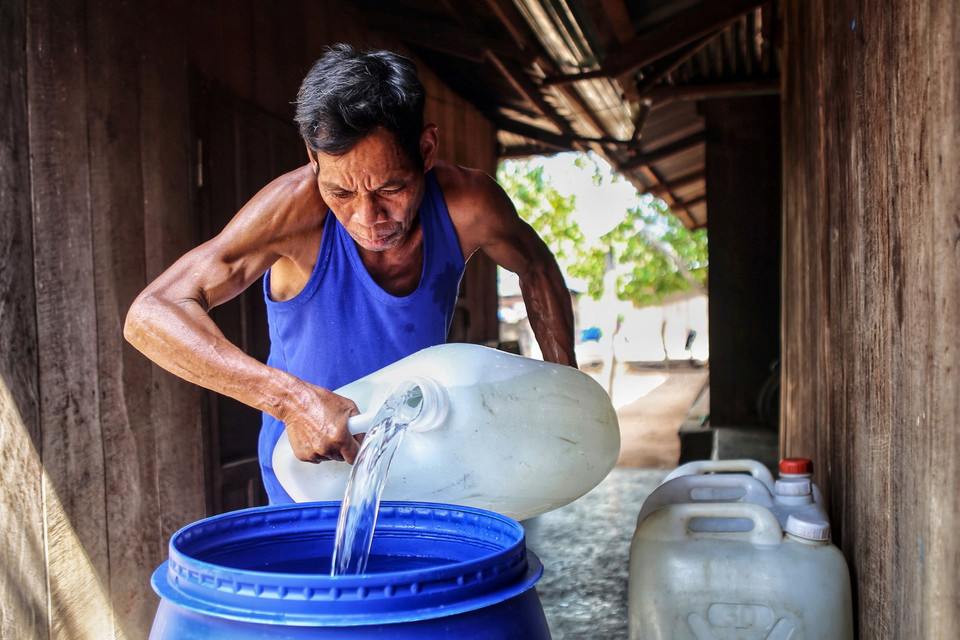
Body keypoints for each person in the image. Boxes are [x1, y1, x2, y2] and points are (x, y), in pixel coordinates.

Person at [124, 44, 576, 503]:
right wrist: (290, 401)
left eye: (390, 188)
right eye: (340, 192)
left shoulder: (469, 204)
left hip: (423, 458)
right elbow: (151, 313)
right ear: (314, 160)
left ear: (425, 149)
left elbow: (536, 267)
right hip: (306, 473)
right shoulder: (292, 212)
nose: (367, 217)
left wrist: (567, 389)